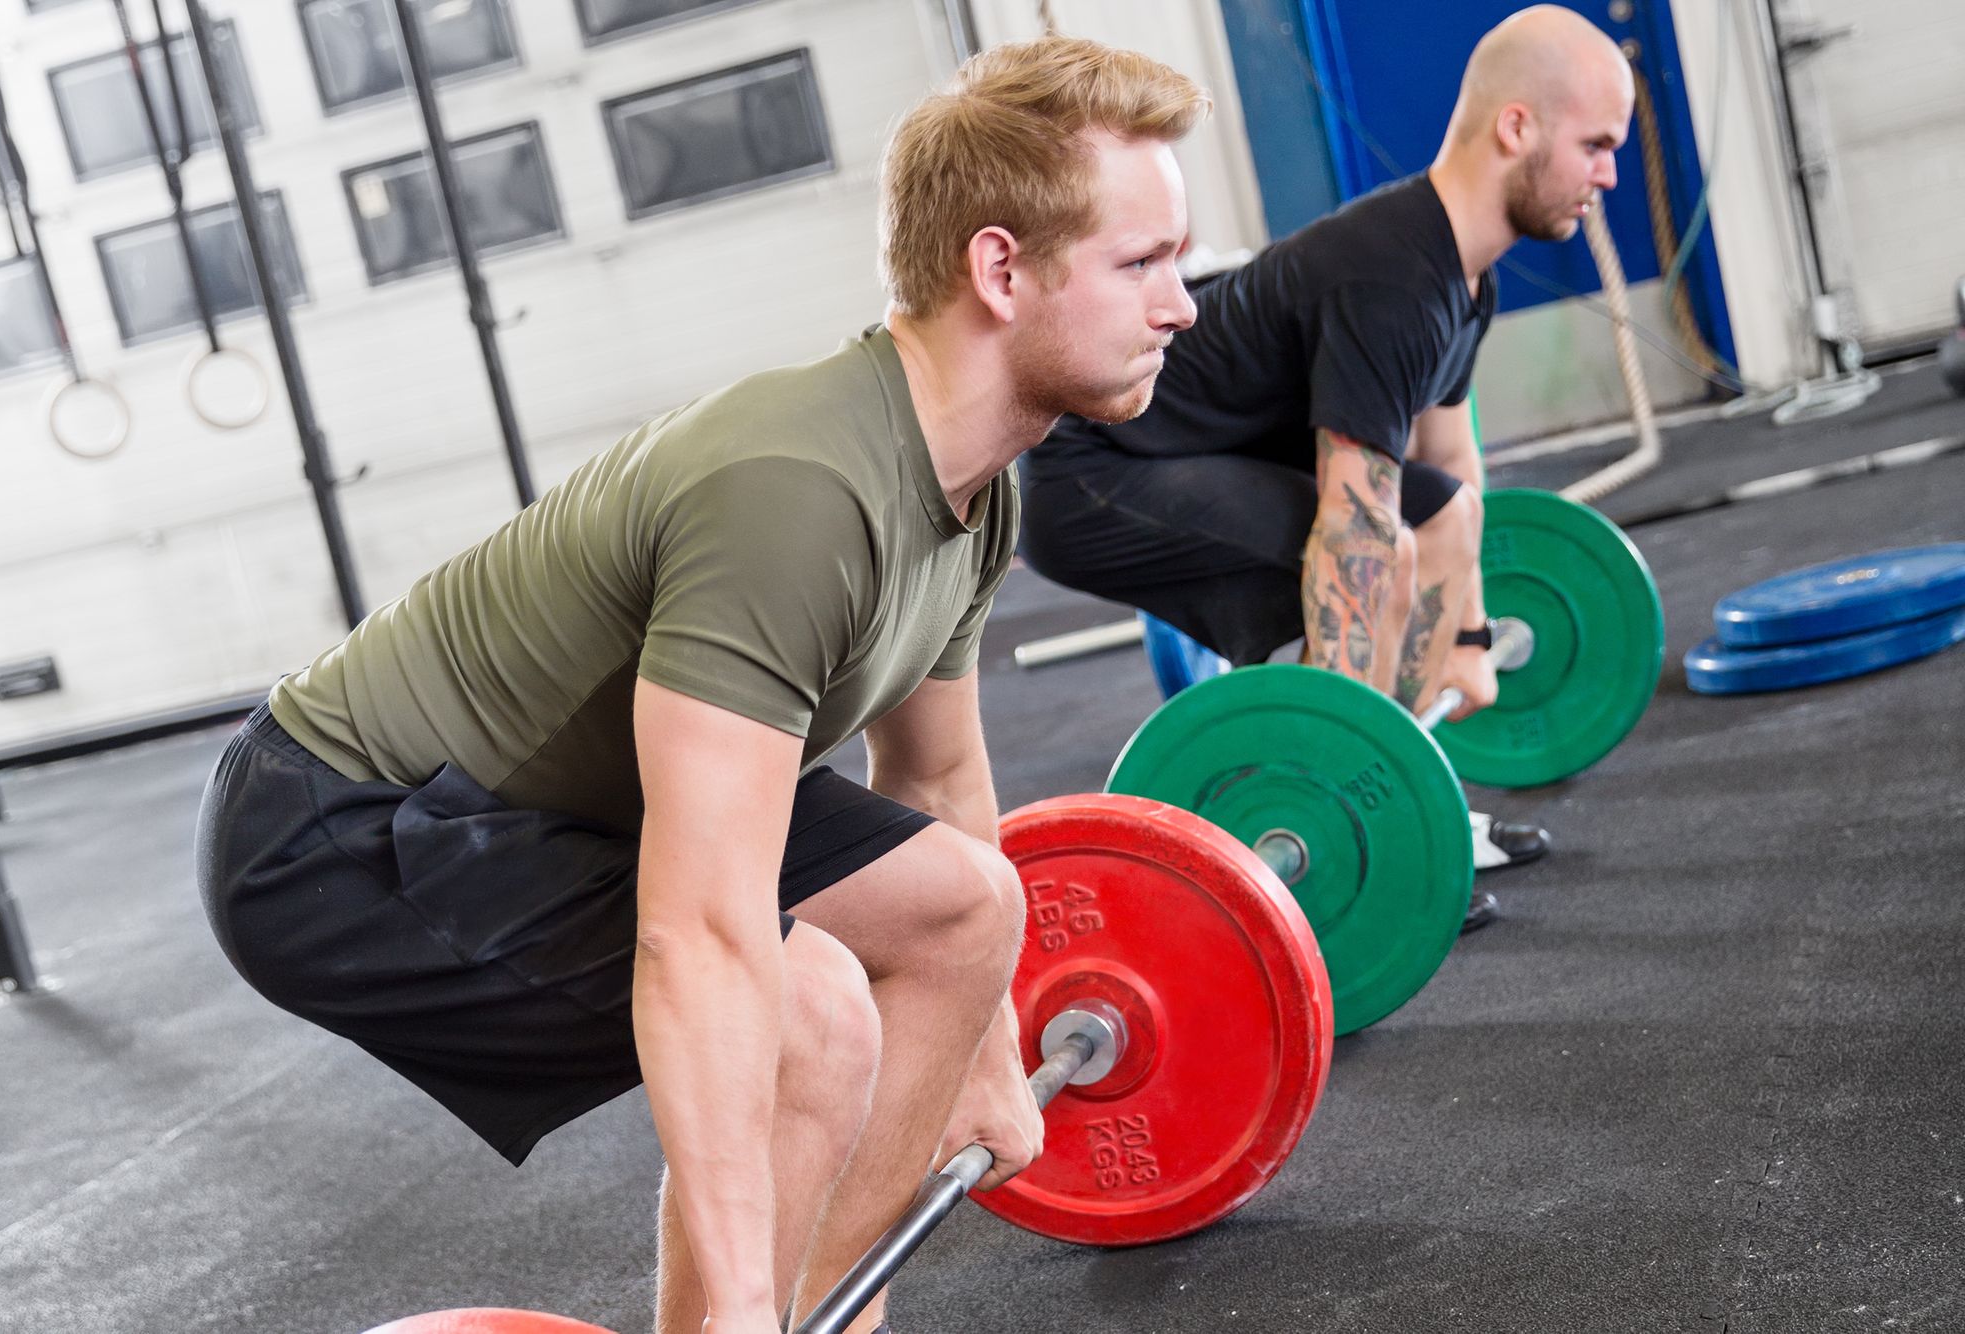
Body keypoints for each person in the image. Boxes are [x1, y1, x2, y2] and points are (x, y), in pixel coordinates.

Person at [195, 36, 1207, 1334]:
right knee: (818, 1014)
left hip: (562, 792)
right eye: (1143, 263)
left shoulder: (976, 487)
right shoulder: (802, 492)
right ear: (1000, 268)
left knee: (964, 904)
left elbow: (940, 779)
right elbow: (701, 935)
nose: (1179, 303)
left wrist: (988, 1051)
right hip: (339, 832)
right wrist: (731, 1296)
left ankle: (821, 1311)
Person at [1017, 5, 1636, 927]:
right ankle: (1331, 840)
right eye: (1595, 144)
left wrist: (1467, 642)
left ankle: (1413, 804)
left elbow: (1450, 472)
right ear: (1519, 127)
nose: (1609, 174)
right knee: (1363, 573)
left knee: (1443, 517)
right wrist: (1345, 770)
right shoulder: (1393, 278)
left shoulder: (1464, 276)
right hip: (1096, 474)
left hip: (1204, 451)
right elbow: (1357, 535)